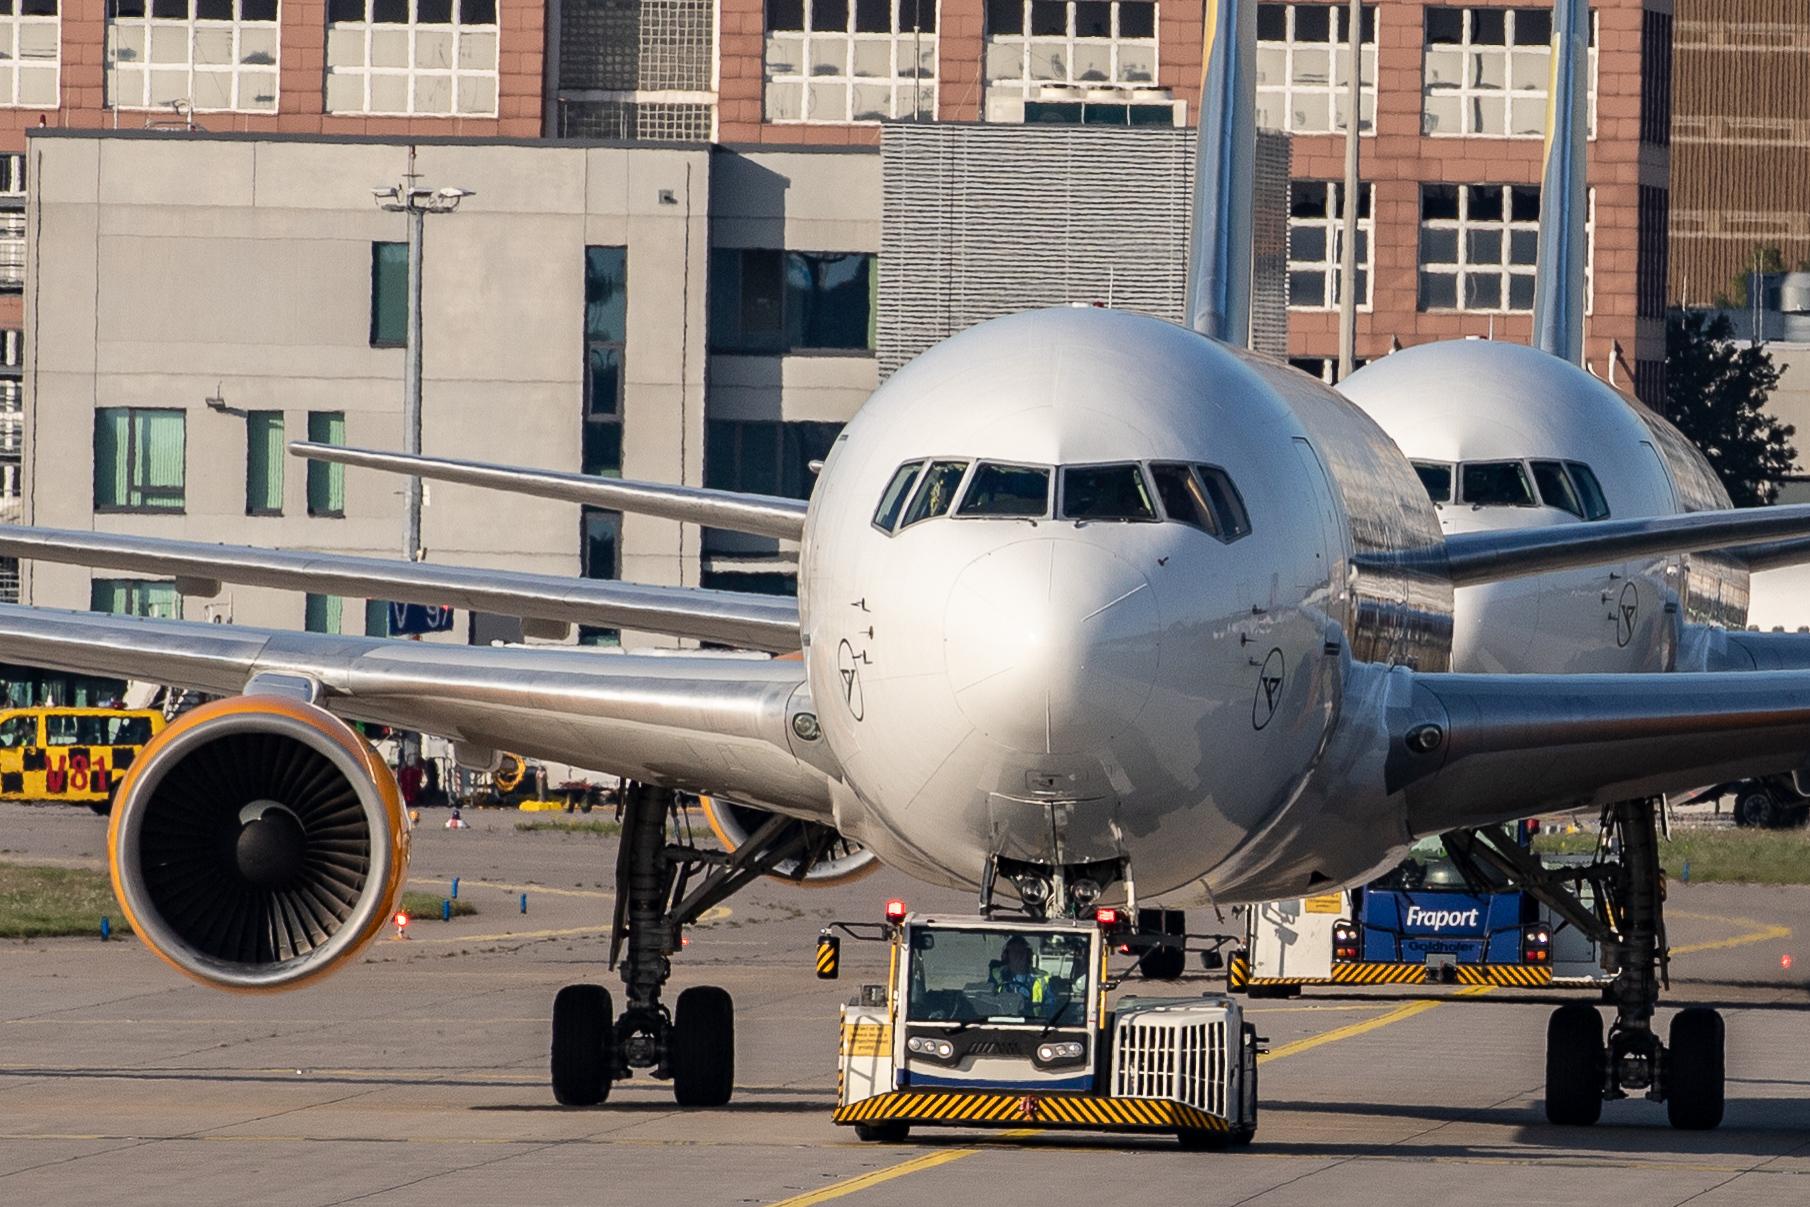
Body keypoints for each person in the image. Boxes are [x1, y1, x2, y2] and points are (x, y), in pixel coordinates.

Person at [989, 935, 1051, 1017]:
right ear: (1007, 956)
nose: (1018, 956)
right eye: (1014, 952)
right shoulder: (996, 975)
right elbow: (988, 1001)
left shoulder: (1041, 978)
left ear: (1028, 955)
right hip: (1000, 1021)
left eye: (1022, 952)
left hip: (1033, 1022)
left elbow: (1050, 1006)